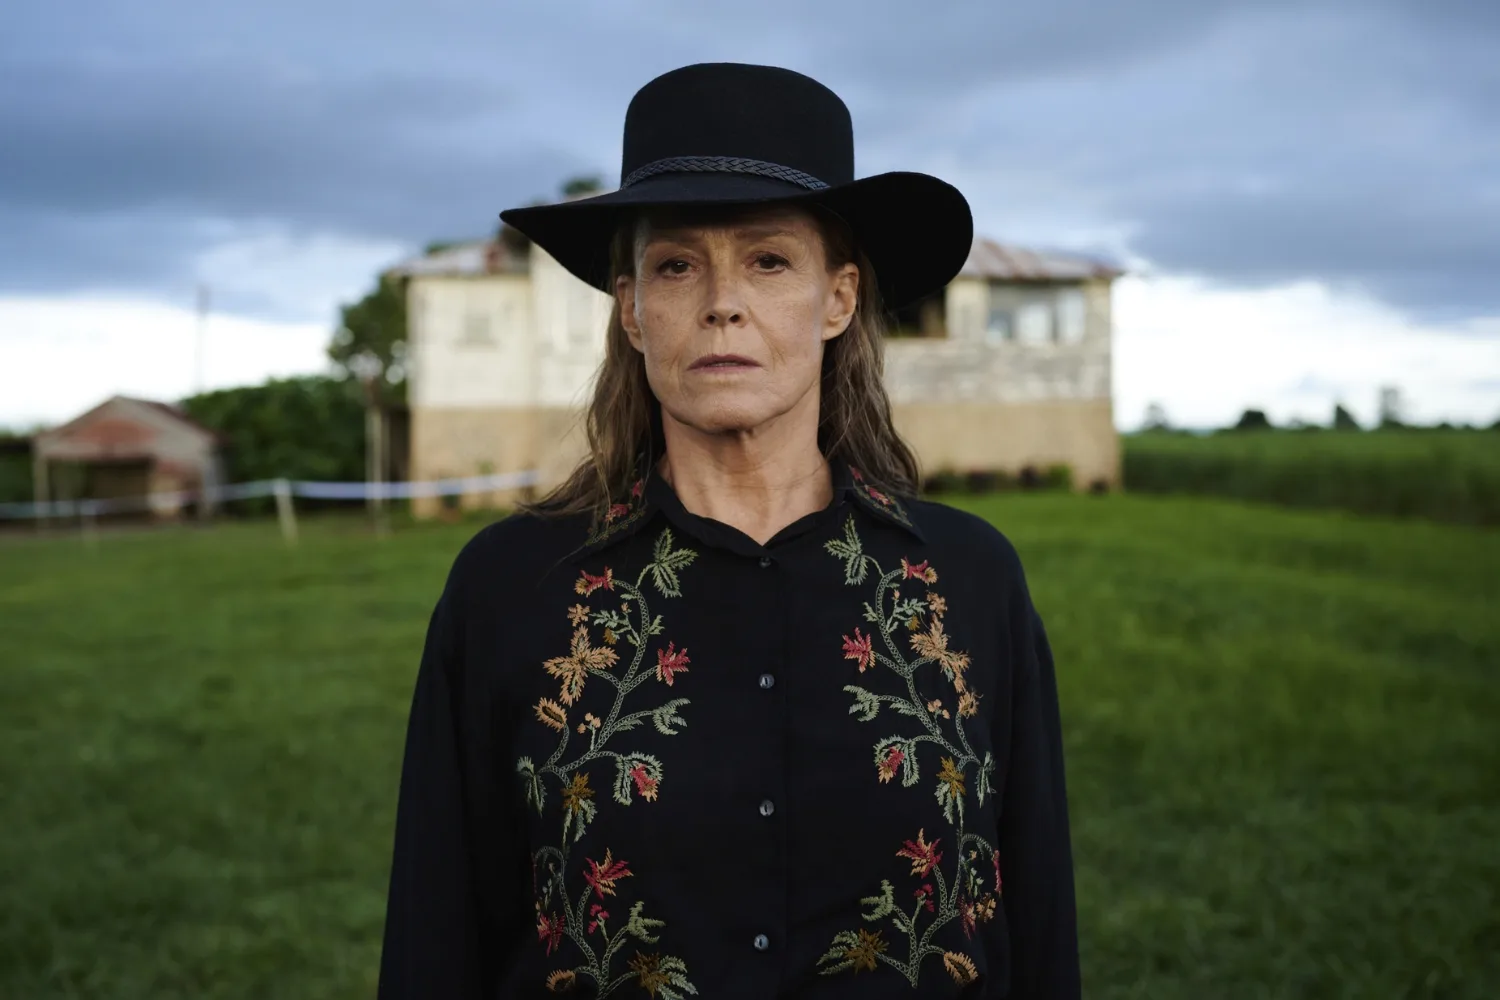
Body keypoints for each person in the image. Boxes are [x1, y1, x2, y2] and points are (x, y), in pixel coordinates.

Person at [378, 62, 1079, 999]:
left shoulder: (970, 580)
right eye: (676, 265)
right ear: (632, 310)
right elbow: (437, 931)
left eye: (769, 260)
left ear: (837, 300)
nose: (721, 300)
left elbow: (1035, 924)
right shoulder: (510, 588)